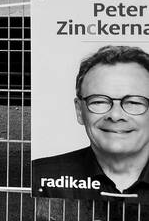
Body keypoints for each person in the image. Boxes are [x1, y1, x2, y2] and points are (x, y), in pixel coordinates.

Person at [32, 45, 149, 199]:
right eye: (99, 101)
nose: (115, 115)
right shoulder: (39, 177)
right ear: (79, 111)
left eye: (134, 103)